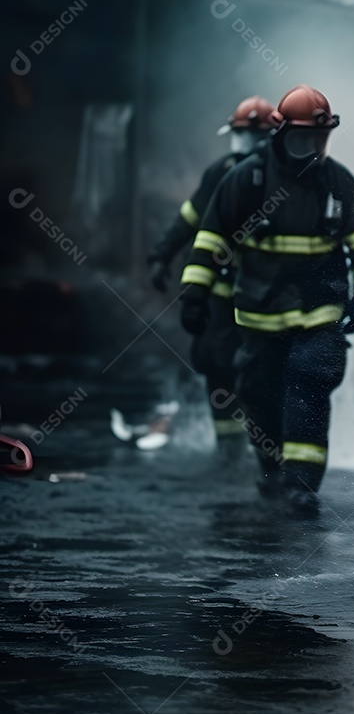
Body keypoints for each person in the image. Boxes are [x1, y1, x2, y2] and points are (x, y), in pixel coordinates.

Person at [179, 85, 354, 514]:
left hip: (319, 313)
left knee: (309, 386)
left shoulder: (338, 182)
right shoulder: (246, 180)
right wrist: (195, 294)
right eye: (301, 138)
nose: (310, 149)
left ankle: (302, 485)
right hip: (260, 316)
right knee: (258, 394)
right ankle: (272, 470)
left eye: (317, 139)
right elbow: (211, 238)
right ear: (280, 134)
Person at [146, 96, 274, 455]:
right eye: (243, 133)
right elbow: (190, 218)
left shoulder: (282, 177)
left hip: (266, 299)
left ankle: (264, 446)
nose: (247, 142)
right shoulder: (221, 174)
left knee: (261, 370)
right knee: (218, 364)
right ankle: (230, 447)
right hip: (223, 294)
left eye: (254, 134)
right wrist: (162, 255)